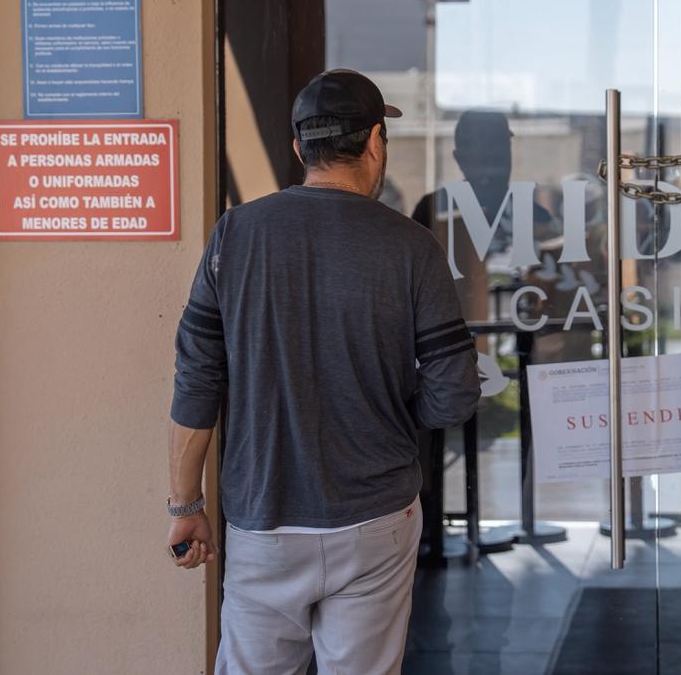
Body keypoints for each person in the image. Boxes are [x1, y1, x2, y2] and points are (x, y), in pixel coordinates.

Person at [165, 68, 482, 675]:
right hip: (376, 519)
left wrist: (185, 506)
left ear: (298, 148)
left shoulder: (235, 236)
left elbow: (196, 379)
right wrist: (393, 412)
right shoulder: (411, 246)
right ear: (375, 143)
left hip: (263, 520)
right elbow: (455, 395)